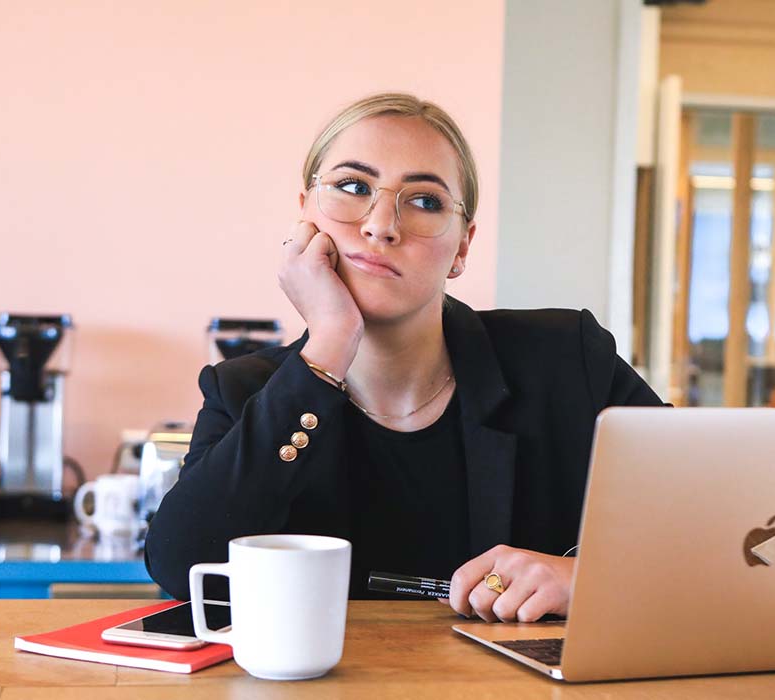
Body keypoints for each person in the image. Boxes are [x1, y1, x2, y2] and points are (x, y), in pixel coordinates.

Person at [144, 93, 664, 624]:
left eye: (425, 201)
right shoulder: (243, 390)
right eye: (352, 188)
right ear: (304, 214)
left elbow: (722, 523)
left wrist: (590, 579)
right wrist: (327, 344)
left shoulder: (566, 359)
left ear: (463, 247)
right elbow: (182, 567)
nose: (381, 225)